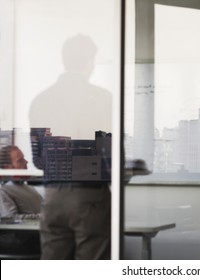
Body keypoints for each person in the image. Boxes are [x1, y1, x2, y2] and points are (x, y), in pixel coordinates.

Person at [29, 34, 111, 259]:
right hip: (90, 197)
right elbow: (108, 153)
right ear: (90, 62)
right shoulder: (101, 98)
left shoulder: (40, 100)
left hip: (53, 197)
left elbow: (37, 158)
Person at [0, 145, 42, 255]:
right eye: (20, 160)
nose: (26, 162)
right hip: (23, 244)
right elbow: (10, 219)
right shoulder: (3, 190)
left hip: (38, 238)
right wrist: (43, 216)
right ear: (7, 167)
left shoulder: (30, 188)